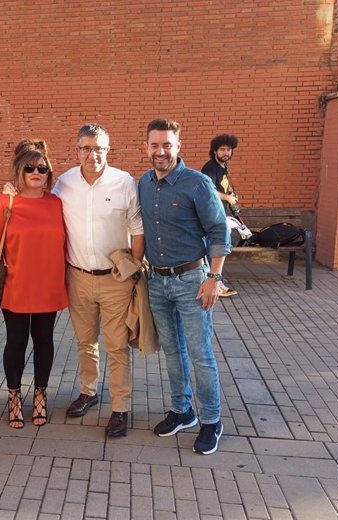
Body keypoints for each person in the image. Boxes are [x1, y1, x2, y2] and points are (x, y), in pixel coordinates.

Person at [138, 119, 231, 455]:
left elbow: (220, 232)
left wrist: (214, 278)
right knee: (173, 352)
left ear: (178, 146)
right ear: (146, 147)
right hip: (157, 281)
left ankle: (211, 421)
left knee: (200, 353)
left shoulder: (198, 184)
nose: (160, 151)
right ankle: (182, 410)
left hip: (193, 280)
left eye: (166, 145)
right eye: (154, 145)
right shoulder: (145, 184)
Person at [0, 139, 67, 429]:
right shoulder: (5, 203)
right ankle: (14, 396)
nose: (36, 172)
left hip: (48, 287)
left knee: (44, 342)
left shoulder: (57, 203)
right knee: (16, 341)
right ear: (19, 171)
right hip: (15, 286)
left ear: (48, 172)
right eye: (29, 168)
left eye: (42, 168)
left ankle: (40, 394)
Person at [55, 124, 144, 437]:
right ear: (77, 149)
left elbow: (137, 227)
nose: (92, 154)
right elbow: (43, 211)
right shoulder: (64, 182)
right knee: (85, 341)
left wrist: (133, 270)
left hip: (115, 279)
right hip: (77, 277)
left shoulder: (123, 183)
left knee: (117, 346)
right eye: (86, 148)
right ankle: (89, 391)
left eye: (99, 148)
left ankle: (120, 407)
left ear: (108, 150)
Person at [201, 134, 240, 297]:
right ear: (215, 151)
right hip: (213, 215)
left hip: (221, 213)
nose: (226, 152)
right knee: (216, 246)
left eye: (228, 149)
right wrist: (227, 197)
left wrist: (231, 198)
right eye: (222, 149)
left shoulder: (223, 167)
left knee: (223, 244)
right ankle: (214, 282)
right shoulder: (210, 168)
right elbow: (208, 190)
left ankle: (215, 281)